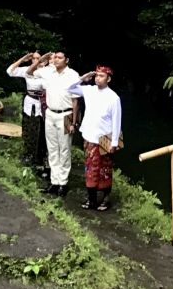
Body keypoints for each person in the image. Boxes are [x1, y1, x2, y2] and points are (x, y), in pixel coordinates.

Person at [25, 51, 81, 197]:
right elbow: (29, 72)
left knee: (64, 149)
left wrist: (74, 123)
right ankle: (54, 181)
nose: (56, 59)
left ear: (66, 60)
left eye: (60, 57)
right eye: (54, 57)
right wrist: (40, 60)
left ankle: (63, 182)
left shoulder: (72, 75)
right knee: (52, 148)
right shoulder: (48, 72)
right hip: (50, 113)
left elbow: (75, 101)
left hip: (66, 113)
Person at [68, 66, 123, 211]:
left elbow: (117, 121)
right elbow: (69, 88)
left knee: (104, 170)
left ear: (108, 79)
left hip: (104, 138)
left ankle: (105, 198)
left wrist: (115, 142)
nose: (98, 78)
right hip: (89, 136)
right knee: (90, 168)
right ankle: (91, 199)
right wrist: (83, 77)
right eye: (96, 75)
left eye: (101, 76)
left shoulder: (113, 98)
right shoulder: (89, 90)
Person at [6, 52, 49, 174]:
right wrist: (23, 59)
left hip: (43, 104)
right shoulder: (27, 70)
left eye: (38, 59)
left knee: (42, 132)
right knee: (29, 129)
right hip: (30, 103)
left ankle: (41, 158)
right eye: (34, 58)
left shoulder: (47, 72)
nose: (36, 60)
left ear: (43, 61)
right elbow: (10, 71)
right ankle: (29, 155)